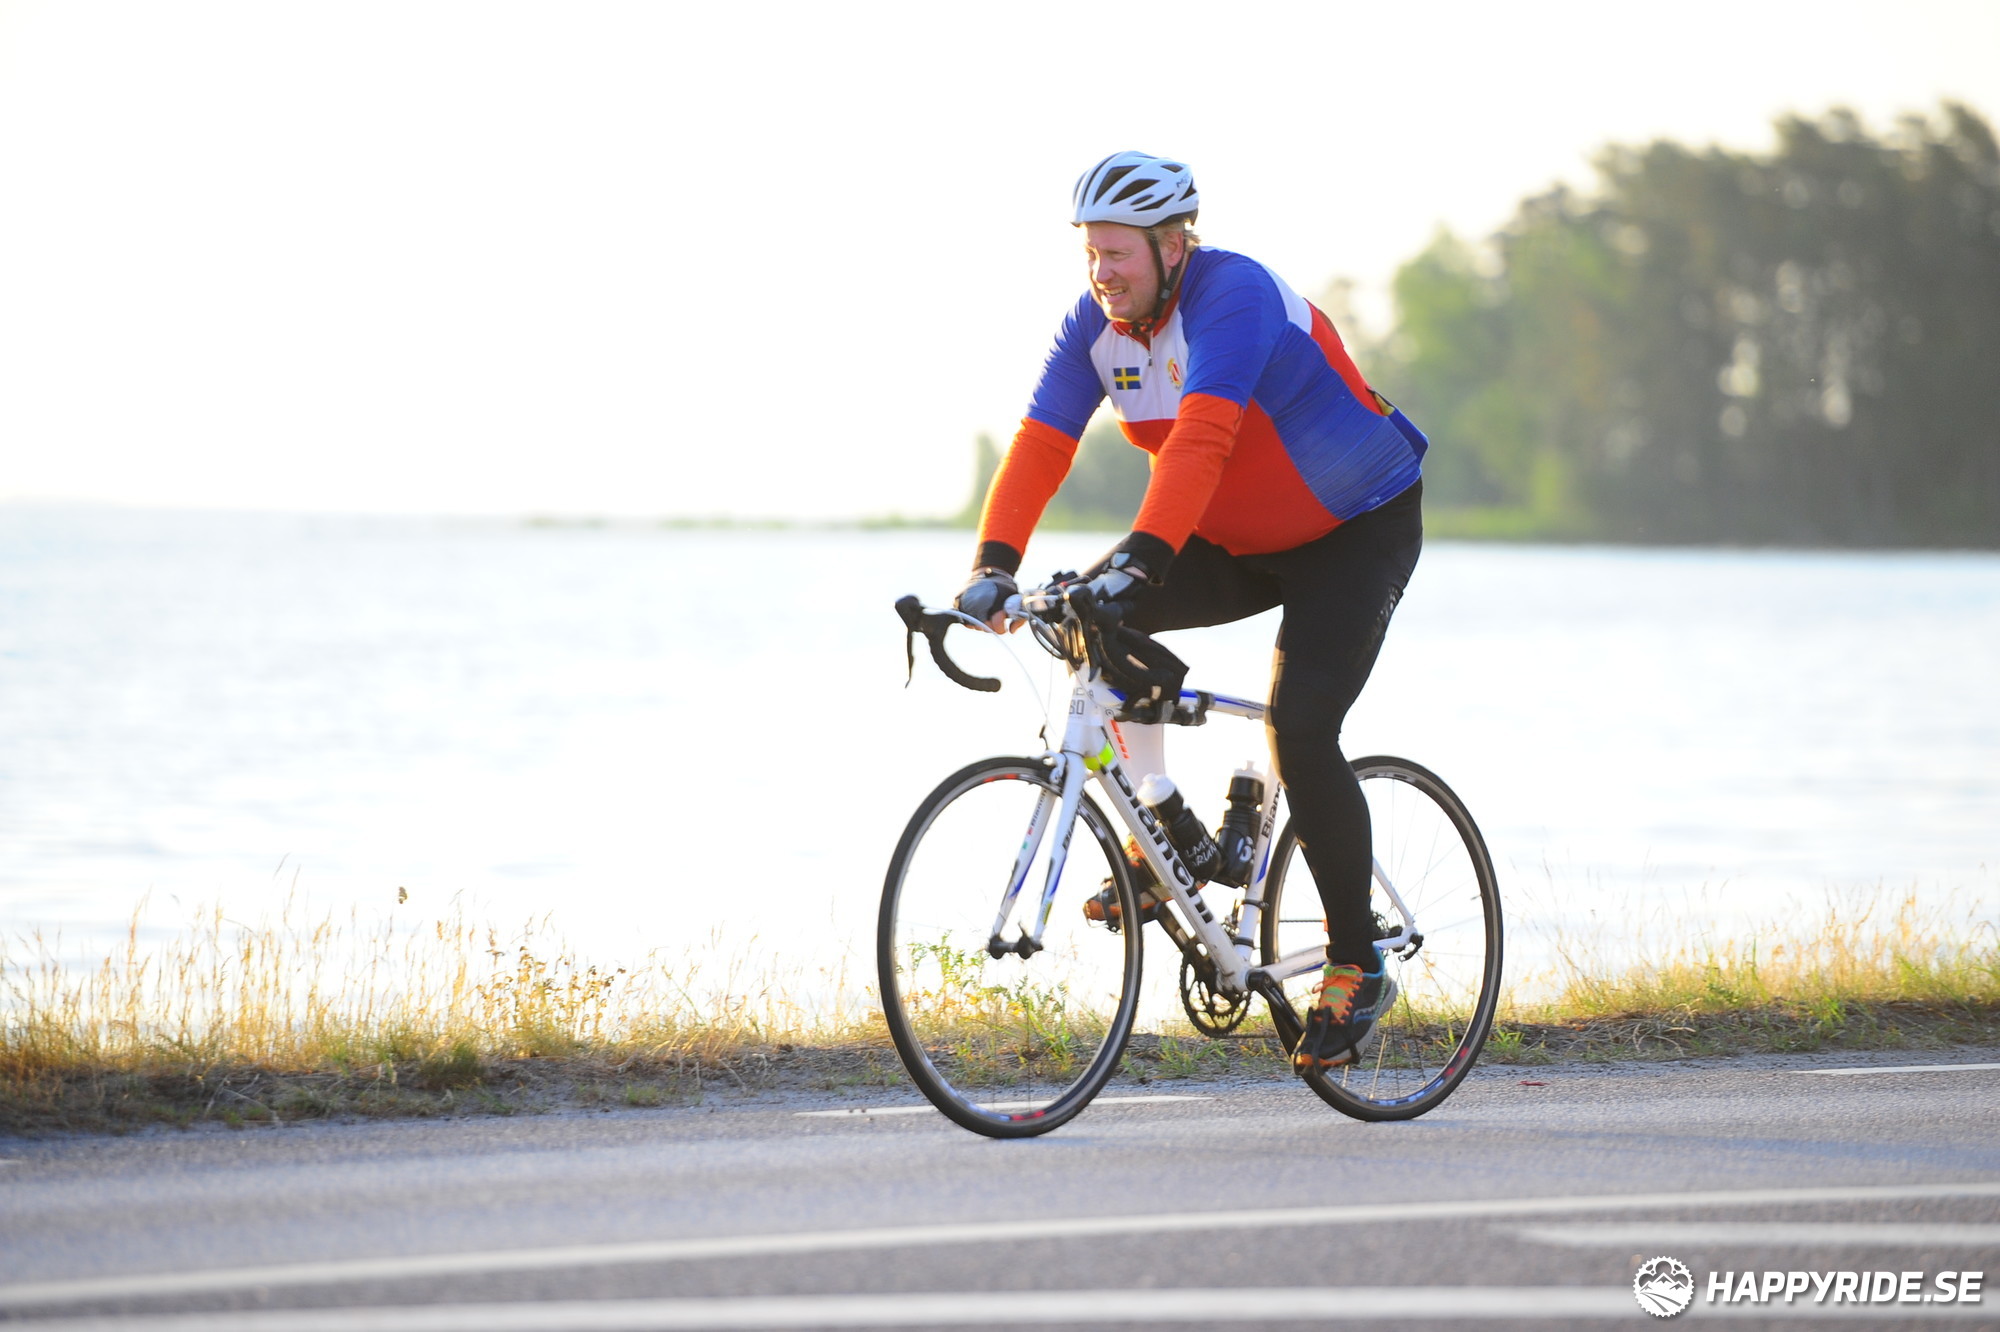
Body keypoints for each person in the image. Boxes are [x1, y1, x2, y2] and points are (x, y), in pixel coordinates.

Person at [953, 150, 1429, 1073]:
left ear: (1174, 246)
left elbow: (1202, 442)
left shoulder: (1234, 296)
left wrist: (1142, 558)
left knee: (1301, 728)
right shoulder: (1094, 328)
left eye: (1118, 253)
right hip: (1234, 537)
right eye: (1091, 253)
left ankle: (1357, 962)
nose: (1102, 272)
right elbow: (1041, 443)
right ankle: (1160, 839)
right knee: (1089, 625)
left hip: (1354, 527)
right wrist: (992, 569)